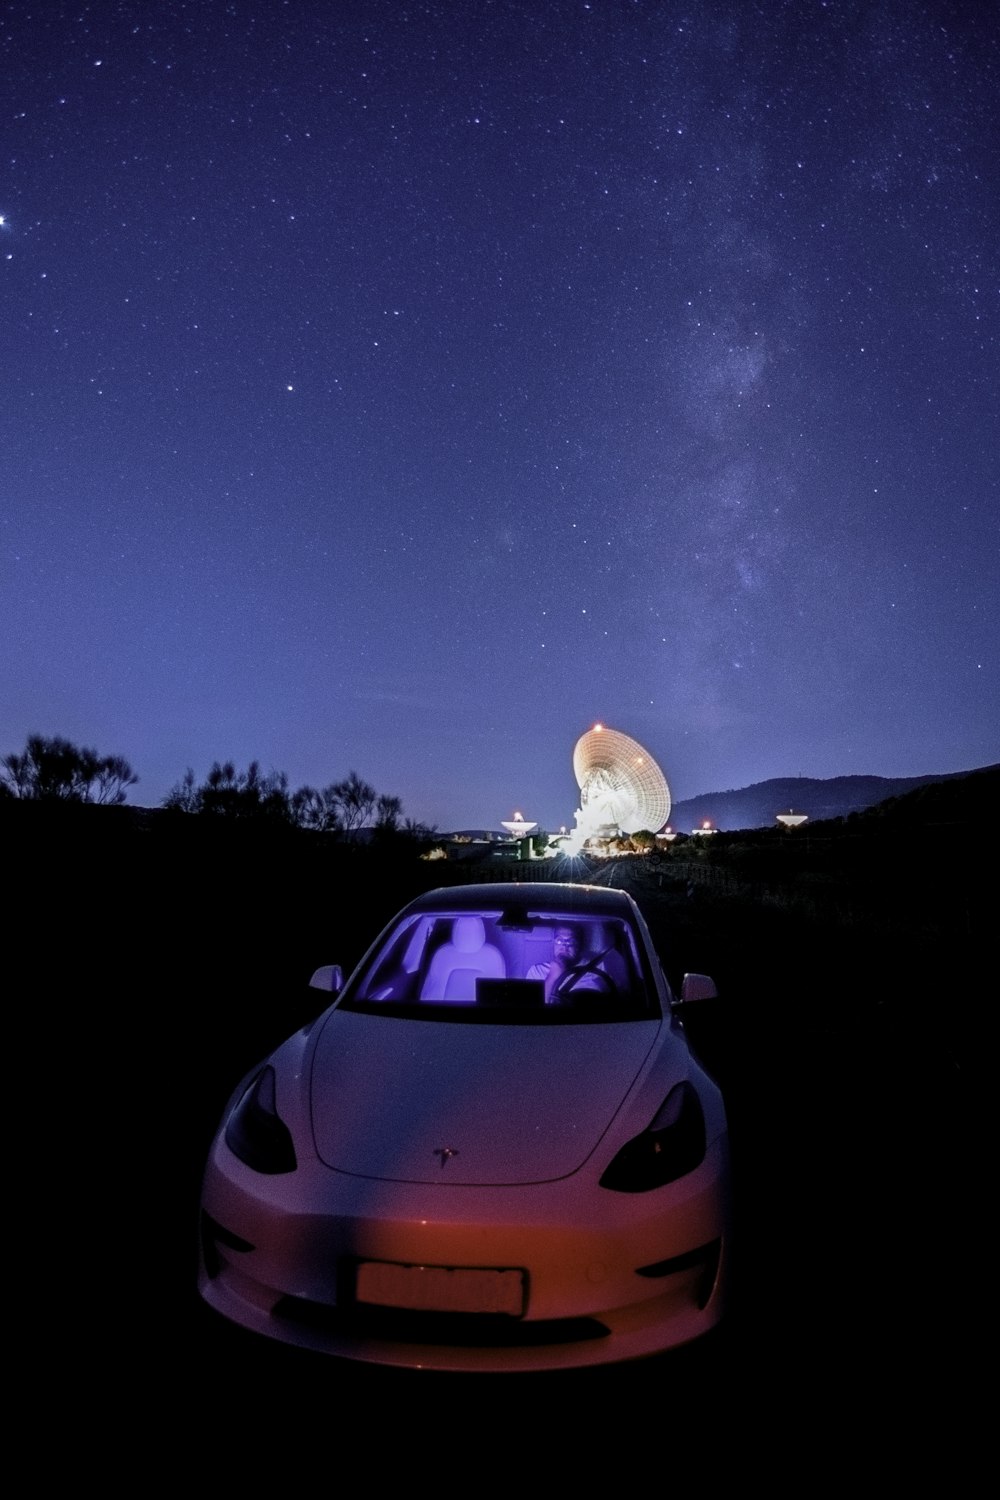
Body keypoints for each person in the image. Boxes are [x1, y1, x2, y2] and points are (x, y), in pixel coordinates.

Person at [526, 925, 615, 1004]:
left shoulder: (602, 967)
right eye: (559, 941)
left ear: (579, 945)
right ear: (553, 943)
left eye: (571, 942)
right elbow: (533, 1011)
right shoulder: (536, 971)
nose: (564, 947)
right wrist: (552, 976)